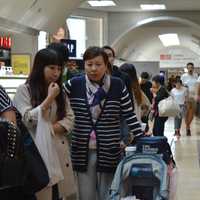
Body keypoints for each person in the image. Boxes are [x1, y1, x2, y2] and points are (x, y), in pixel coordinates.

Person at [63, 46, 143, 200]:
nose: (93, 69)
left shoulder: (117, 85)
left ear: (106, 65)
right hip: (82, 148)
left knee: (108, 193)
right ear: (84, 65)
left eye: (98, 64)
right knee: (86, 194)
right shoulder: (74, 84)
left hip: (109, 147)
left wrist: (140, 136)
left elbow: (128, 113)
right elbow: (58, 104)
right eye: (89, 64)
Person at [13, 48, 77, 200]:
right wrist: (48, 99)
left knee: (58, 194)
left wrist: (47, 128)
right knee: (42, 192)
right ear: (40, 67)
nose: (56, 73)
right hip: (37, 152)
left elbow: (70, 118)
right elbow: (28, 120)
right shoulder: (25, 90)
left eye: (59, 68)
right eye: (51, 68)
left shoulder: (59, 91)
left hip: (59, 151)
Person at [181, 62, 198, 136]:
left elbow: (198, 85)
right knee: (187, 112)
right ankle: (188, 128)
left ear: (193, 68)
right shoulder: (183, 76)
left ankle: (188, 125)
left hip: (194, 96)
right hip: (186, 96)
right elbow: (181, 86)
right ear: (187, 68)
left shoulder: (196, 75)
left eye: (191, 67)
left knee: (192, 112)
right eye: (189, 67)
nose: (190, 69)